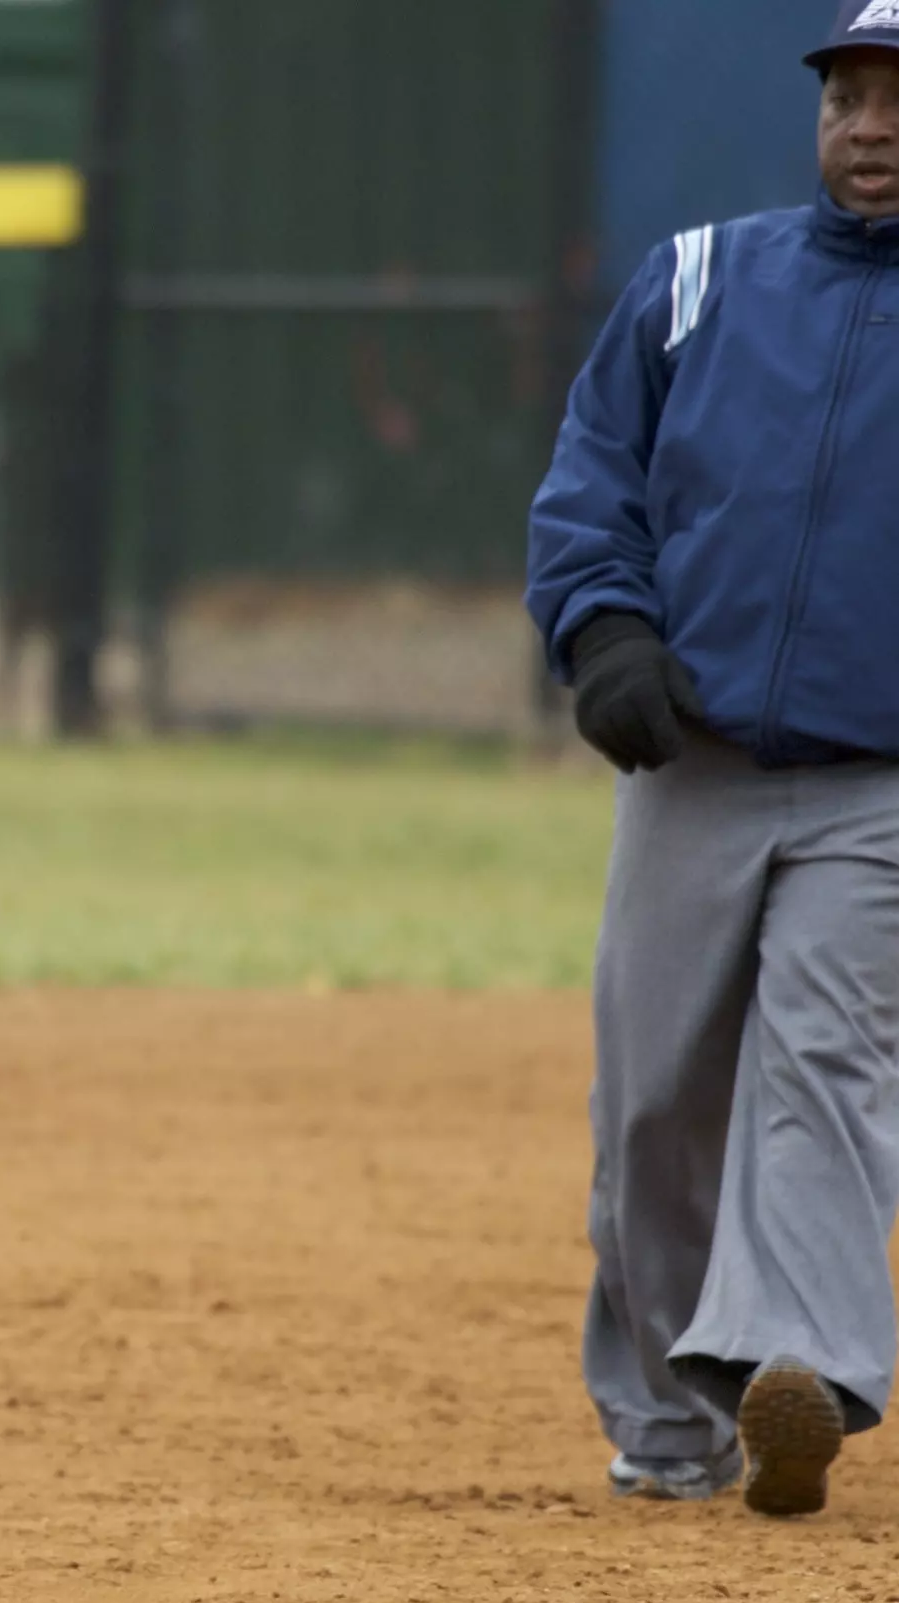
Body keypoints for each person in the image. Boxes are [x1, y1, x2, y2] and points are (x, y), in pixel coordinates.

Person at [525, 4, 899, 1517]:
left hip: (882, 785)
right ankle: (674, 1420)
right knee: (655, 1106)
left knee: (825, 1070)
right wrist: (607, 632)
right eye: (849, 96)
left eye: (897, 101)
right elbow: (593, 478)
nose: (871, 126)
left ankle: (792, 1370)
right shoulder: (699, 280)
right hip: (694, 758)